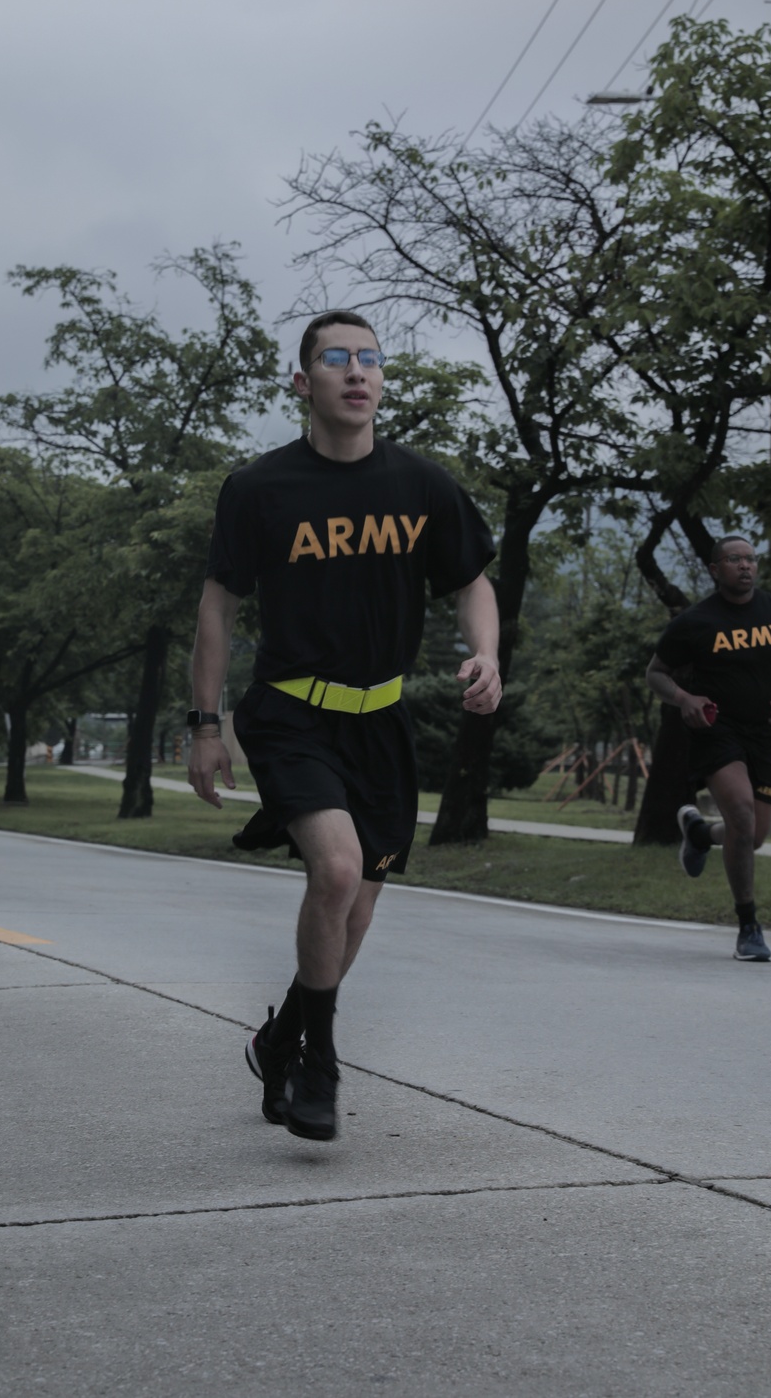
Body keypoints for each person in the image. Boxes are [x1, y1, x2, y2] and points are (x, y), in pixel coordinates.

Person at [187, 310, 501, 1141]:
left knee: (355, 912)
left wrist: (488, 654)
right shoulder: (260, 489)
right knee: (334, 873)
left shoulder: (423, 486)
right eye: (336, 360)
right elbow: (217, 606)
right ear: (303, 383)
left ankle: (279, 1037)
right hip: (291, 714)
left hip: (382, 723)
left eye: (370, 360)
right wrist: (205, 724)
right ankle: (319, 1066)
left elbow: (472, 579)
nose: (356, 372)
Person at [646, 535, 771, 961]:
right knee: (740, 811)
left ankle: (701, 833)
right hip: (716, 729)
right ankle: (748, 926)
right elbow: (657, 673)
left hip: (765, 733)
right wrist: (684, 699)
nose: (745, 566)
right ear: (714, 568)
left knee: (753, 835)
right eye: (734, 559)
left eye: (750, 559)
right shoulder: (695, 622)